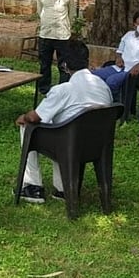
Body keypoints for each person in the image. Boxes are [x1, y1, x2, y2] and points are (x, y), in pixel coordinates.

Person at [15, 39, 112, 203]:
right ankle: (62, 188)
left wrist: (23, 117)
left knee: (29, 127)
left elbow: (35, 117)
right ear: (87, 61)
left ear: (64, 65)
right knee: (63, 126)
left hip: (69, 145)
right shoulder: (103, 86)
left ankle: (33, 186)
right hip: (98, 145)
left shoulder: (63, 90)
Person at [90, 11, 139, 99]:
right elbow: (119, 51)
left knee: (111, 81)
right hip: (119, 67)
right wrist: (118, 58)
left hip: (134, 71)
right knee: (93, 76)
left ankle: (115, 105)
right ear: (134, 24)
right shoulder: (128, 35)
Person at [36, 0, 76, 95]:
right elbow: (39, 12)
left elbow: (71, 14)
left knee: (63, 64)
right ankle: (44, 88)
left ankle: (63, 89)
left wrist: (67, 27)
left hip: (62, 35)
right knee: (44, 64)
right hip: (45, 34)